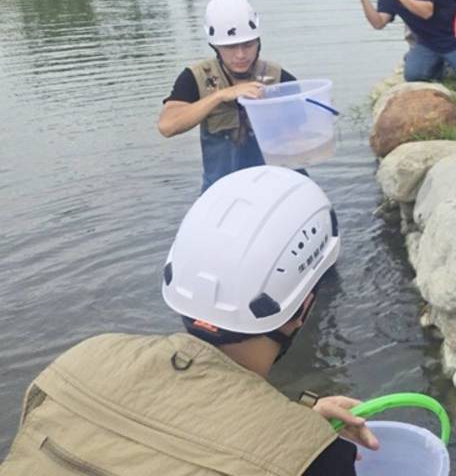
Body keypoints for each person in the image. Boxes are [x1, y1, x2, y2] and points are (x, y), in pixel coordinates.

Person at [0, 166, 375, 475]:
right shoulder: (317, 461)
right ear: (304, 307)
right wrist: (304, 441)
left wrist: (296, 423)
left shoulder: (81, 359)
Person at [158, 0, 300, 191]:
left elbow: (302, 134)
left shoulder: (277, 77)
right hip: (222, 190)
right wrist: (220, 96)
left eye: (248, 45)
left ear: (258, 41)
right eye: (230, 47)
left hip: (276, 184)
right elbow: (167, 126)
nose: (241, 54)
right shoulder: (196, 77)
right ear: (215, 46)